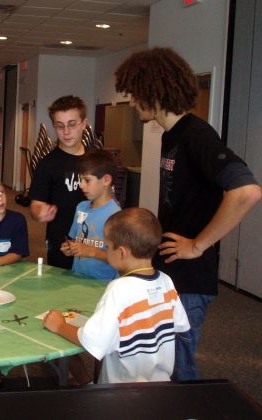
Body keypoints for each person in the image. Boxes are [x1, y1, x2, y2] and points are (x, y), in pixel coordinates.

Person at [114, 47, 261, 381]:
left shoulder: (197, 136)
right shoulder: (172, 135)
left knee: (179, 369)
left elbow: (247, 191)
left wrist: (198, 245)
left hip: (191, 279)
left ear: (152, 91)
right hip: (171, 272)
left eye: (136, 94)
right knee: (164, 363)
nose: (133, 102)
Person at [44, 208, 191, 384]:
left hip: (121, 395)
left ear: (121, 252)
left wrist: (59, 325)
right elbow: (180, 325)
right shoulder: (166, 281)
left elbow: (91, 342)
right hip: (160, 386)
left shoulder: (119, 288)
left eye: (107, 246)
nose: (106, 250)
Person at [28, 95, 88, 269]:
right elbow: (36, 205)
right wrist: (40, 212)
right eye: (59, 126)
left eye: (72, 124)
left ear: (84, 123)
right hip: (62, 241)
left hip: (95, 241)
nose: (66, 132)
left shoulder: (97, 160)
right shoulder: (47, 164)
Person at [61, 149, 120, 280]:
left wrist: (90, 251)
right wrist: (70, 247)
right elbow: (76, 240)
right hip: (77, 278)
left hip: (102, 285)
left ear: (106, 180)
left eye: (87, 180)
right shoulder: (81, 207)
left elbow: (119, 259)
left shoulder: (116, 216)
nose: (81, 185)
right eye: (80, 179)